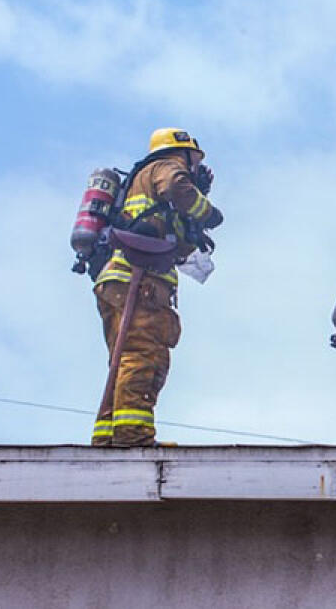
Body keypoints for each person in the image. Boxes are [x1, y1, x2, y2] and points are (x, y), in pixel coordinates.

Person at [92, 127, 222, 446]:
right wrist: (209, 212)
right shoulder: (166, 166)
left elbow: (174, 237)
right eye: (193, 160)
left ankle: (106, 436)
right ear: (184, 152)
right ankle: (132, 437)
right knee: (142, 358)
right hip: (141, 284)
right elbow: (177, 187)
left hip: (118, 281)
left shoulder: (143, 185)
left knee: (122, 360)